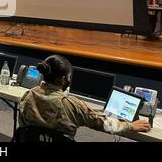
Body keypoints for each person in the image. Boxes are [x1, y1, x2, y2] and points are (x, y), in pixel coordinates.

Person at [19, 55, 151, 139]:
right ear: (63, 80)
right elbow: (103, 124)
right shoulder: (71, 104)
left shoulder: (29, 95)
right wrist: (131, 126)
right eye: (69, 77)